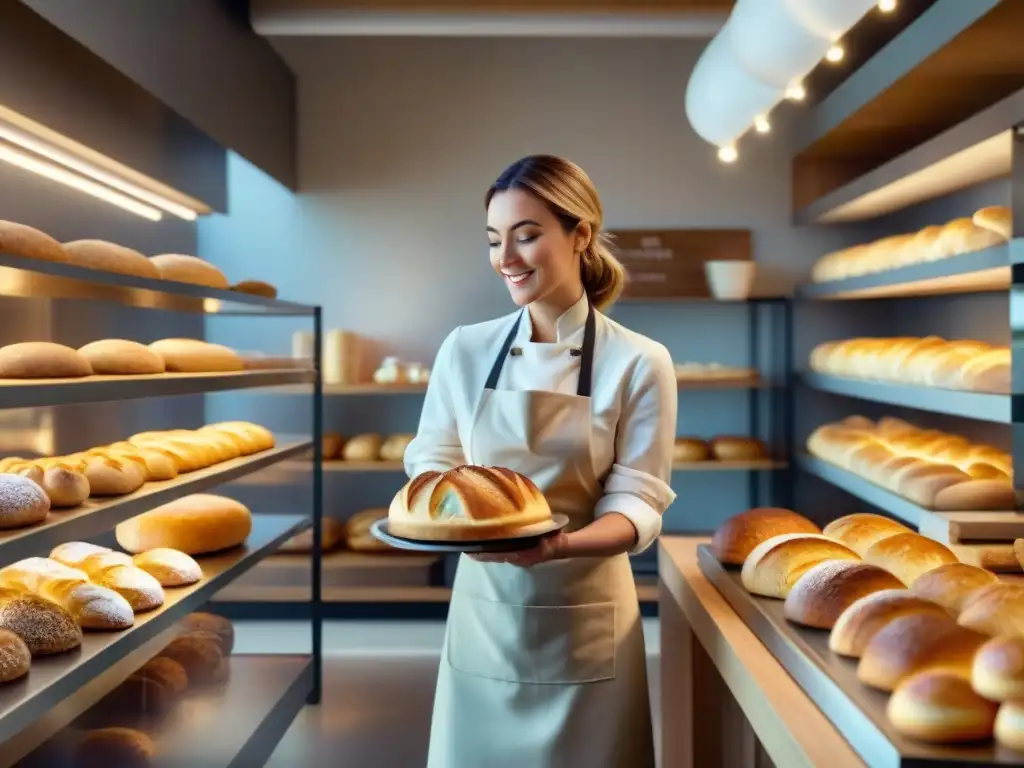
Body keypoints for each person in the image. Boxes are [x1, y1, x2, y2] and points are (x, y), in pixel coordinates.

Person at [403, 154, 677, 768]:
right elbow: (432, 458)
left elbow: (638, 499)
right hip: (485, 614)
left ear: (581, 236)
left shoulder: (638, 361)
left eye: (527, 236)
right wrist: (444, 514)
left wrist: (560, 546)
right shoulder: (465, 349)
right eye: (495, 240)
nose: (507, 258)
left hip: (586, 615)